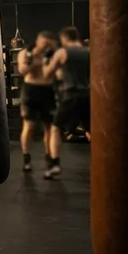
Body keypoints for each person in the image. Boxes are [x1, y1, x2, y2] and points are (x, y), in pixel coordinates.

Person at [42, 26, 90, 178]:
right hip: (89, 95)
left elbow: (47, 73)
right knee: (91, 130)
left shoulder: (62, 52)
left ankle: (54, 164)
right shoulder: (89, 51)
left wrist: (46, 60)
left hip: (72, 95)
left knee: (56, 128)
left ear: (64, 38)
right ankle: (107, 162)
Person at [16, 31, 59, 172]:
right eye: (44, 43)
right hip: (31, 90)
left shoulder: (53, 54)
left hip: (48, 91)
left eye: (49, 44)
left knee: (49, 126)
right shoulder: (26, 53)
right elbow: (22, 70)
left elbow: (59, 73)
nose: (46, 46)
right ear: (38, 41)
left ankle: (49, 157)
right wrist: (34, 62)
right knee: (30, 125)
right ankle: (26, 157)